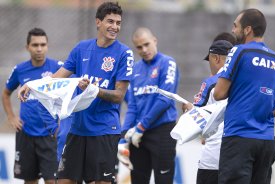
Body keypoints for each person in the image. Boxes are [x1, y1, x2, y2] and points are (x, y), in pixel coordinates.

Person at [18, 2, 133, 184]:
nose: (115, 27)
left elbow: (119, 96)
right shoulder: (81, 48)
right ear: (98, 22)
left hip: (104, 131)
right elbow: (56, 79)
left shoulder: (124, 53)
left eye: (118, 23)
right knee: (63, 181)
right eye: (110, 21)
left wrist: (92, 90)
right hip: (78, 129)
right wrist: (33, 85)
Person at [213, 9, 275, 184]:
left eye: (236, 25)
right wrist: (269, 113)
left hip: (240, 138)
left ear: (247, 29)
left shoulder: (239, 51)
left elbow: (219, 93)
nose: (233, 30)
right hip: (267, 142)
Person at [120, 27, 179, 184]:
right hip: (139, 135)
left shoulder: (167, 63)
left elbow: (165, 100)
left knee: (164, 180)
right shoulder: (134, 70)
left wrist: (141, 126)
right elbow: (132, 106)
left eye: (147, 44)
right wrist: (124, 135)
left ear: (155, 40)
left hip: (162, 130)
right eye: (139, 47)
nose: (144, 50)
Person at [1, 28, 60, 184]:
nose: (39, 49)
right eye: (35, 45)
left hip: (49, 134)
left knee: (52, 181)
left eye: (43, 44)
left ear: (47, 46)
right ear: (27, 47)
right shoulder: (20, 70)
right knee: (30, 180)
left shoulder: (58, 68)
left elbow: (70, 93)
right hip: (26, 134)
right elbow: (6, 93)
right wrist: (11, 117)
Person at [185, 33, 235, 184]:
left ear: (216, 58)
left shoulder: (211, 82)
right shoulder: (245, 81)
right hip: (239, 156)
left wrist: (188, 108)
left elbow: (195, 116)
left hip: (213, 157)